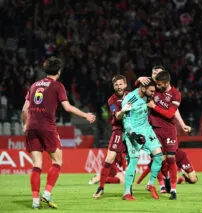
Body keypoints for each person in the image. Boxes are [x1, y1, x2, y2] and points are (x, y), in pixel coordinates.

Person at [21, 56, 96, 209]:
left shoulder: (34, 85)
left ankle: (35, 200)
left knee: (37, 164)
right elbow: (67, 108)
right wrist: (86, 115)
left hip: (31, 127)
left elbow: (24, 109)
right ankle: (47, 193)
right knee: (57, 161)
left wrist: (24, 125)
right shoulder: (57, 86)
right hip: (47, 127)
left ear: (45, 69)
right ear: (59, 71)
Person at [121, 79, 163, 201]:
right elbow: (126, 120)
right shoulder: (130, 99)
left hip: (147, 129)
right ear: (143, 89)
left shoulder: (147, 94)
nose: (153, 94)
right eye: (151, 91)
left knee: (159, 156)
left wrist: (140, 78)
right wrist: (133, 134)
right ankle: (127, 192)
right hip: (132, 132)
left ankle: (150, 184)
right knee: (134, 160)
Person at [147, 70, 181, 200]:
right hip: (154, 129)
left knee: (171, 159)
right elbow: (139, 86)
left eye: (160, 84)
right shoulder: (155, 89)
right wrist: (140, 79)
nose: (157, 87)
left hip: (169, 130)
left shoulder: (176, 94)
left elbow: (170, 114)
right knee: (157, 159)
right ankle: (164, 179)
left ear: (166, 83)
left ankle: (173, 190)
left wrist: (154, 107)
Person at [93, 75, 129, 198]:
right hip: (118, 131)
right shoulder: (111, 100)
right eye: (116, 85)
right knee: (109, 158)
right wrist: (124, 109)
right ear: (113, 86)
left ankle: (162, 185)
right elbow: (117, 116)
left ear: (125, 84)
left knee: (134, 159)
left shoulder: (132, 95)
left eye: (120, 84)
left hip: (132, 131)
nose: (119, 87)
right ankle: (101, 187)